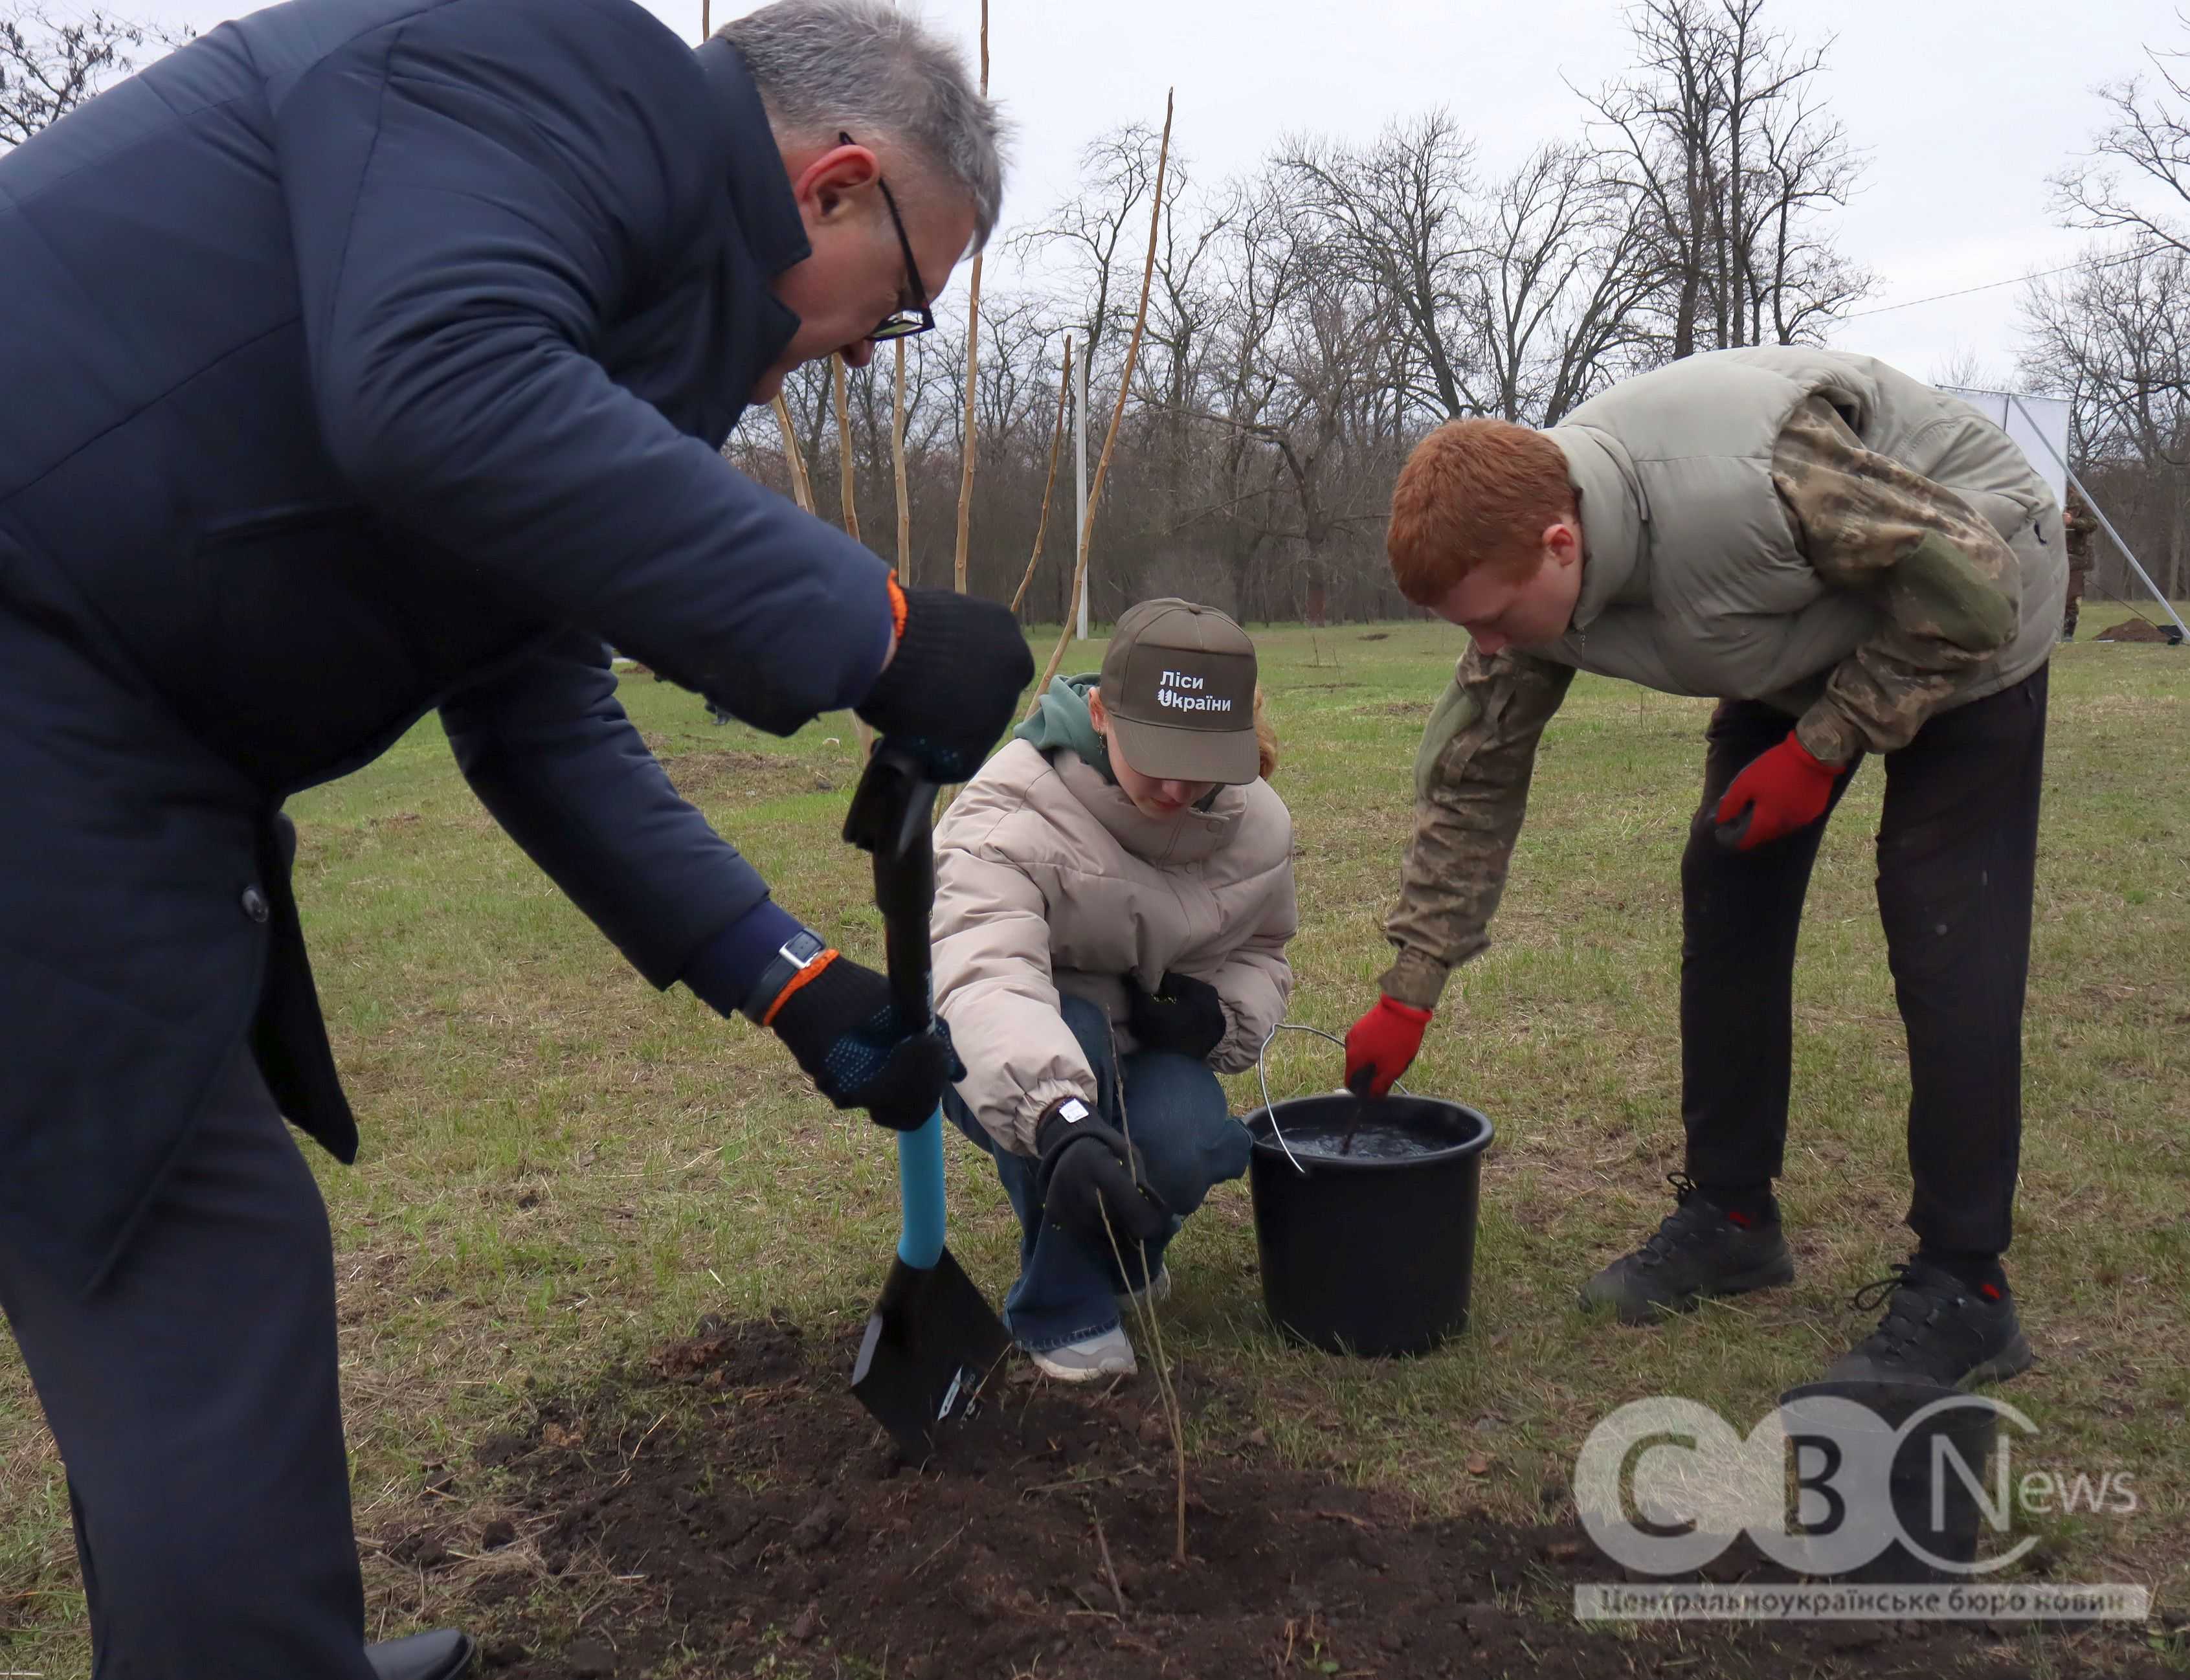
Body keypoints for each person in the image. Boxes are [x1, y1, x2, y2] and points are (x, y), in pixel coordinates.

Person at [0, 0, 1033, 1675]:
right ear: (837, 189)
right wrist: (878, 626)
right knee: (195, 1265)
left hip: (94, 731)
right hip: (40, 690)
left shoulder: (594, 329)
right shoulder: (530, 73)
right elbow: (427, 388)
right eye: (901, 309)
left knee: (176, 1279)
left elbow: (536, 707)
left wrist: (796, 984)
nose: (864, 353)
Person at [1345, 348, 2064, 1391]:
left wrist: (1824, 745)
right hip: (1794, 628)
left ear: (1559, 544)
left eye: (1494, 619)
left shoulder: (1761, 477)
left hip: (1972, 606)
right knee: (1725, 890)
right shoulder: (1527, 577)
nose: (1486, 645)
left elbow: (1970, 587)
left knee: (1941, 926)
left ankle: (1966, 1286)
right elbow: (1472, 782)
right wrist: (1410, 989)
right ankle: (1730, 1217)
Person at [932, 601, 1296, 1381]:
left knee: (1188, 1140)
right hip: (998, 1044)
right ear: (1099, 713)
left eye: (1200, 760)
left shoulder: (1258, 825)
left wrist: (1215, 1019)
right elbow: (985, 975)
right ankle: (1062, 1313)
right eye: (1153, 753)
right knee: (1076, 1067)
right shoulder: (1007, 810)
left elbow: (1264, 951)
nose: (1174, 785)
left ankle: (1128, 1251)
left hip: (1139, 1046)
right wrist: (1060, 1118)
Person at [2061, 486, 2097, 640]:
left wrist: (2073, 522)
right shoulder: (2040, 494)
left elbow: (2093, 523)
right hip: (2047, 555)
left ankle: (2068, 634)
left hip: (2074, 558)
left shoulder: (2079, 501)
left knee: (2071, 597)